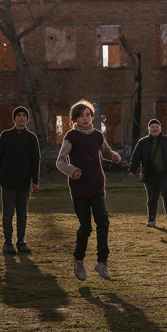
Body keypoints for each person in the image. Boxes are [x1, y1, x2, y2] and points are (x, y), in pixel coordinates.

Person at [56, 100, 121, 281]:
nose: (85, 118)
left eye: (88, 115)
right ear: (75, 119)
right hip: (79, 187)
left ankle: (102, 262)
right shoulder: (71, 136)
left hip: (97, 184)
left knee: (103, 221)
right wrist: (71, 171)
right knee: (85, 227)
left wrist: (114, 156)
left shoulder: (97, 135)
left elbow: (106, 152)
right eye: (81, 116)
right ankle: (78, 260)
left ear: (92, 117)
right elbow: (60, 161)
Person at [0, 106, 41, 254]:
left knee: (22, 214)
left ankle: (21, 241)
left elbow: (35, 161)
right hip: (8, 181)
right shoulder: (5, 136)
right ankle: (8, 242)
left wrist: (35, 181)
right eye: (19, 115)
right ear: (14, 118)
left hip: (24, 182)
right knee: (8, 213)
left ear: (27, 118)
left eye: (24, 115)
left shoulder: (32, 138)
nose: (21, 117)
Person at [127, 119, 167, 227]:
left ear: (160, 128)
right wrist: (132, 169)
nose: (155, 128)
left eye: (156, 126)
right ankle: (151, 218)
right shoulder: (143, 142)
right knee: (152, 197)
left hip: (166, 174)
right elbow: (136, 156)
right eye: (152, 127)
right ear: (149, 129)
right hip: (150, 174)